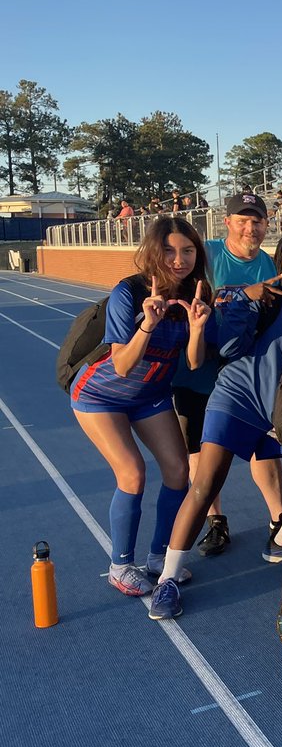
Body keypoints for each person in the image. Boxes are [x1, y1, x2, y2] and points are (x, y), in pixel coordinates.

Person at [147, 231, 282, 619]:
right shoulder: (263, 298)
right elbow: (229, 349)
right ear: (279, 263)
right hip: (238, 395)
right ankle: (168, 580)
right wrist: (246, 300)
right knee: (206, 482)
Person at [69, 217, 212, 597]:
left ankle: (158, 557)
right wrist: (147, 324)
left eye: (187, 251)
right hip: (101, 396)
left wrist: (196, 329)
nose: (178, 259)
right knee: (132, 474)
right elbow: (120, 364)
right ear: (153, 251)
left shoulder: (196, 295)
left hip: (150, 395)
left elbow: (195, 362)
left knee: (179, 471)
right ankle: (120, 565)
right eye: (168, 250)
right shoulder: (129, 293)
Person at [179, 192, 281, 558]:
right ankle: (215, 521)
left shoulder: (270, 264)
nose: (250, 227)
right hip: (200, 368)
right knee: (199, 451)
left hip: (245, 372)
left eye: (257, 221)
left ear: (266, 225)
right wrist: (243, 293)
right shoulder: (205, 255)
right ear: (227, 221)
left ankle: (278, 518)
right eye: (242, 220)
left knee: (264, 448)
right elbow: (194, 294)